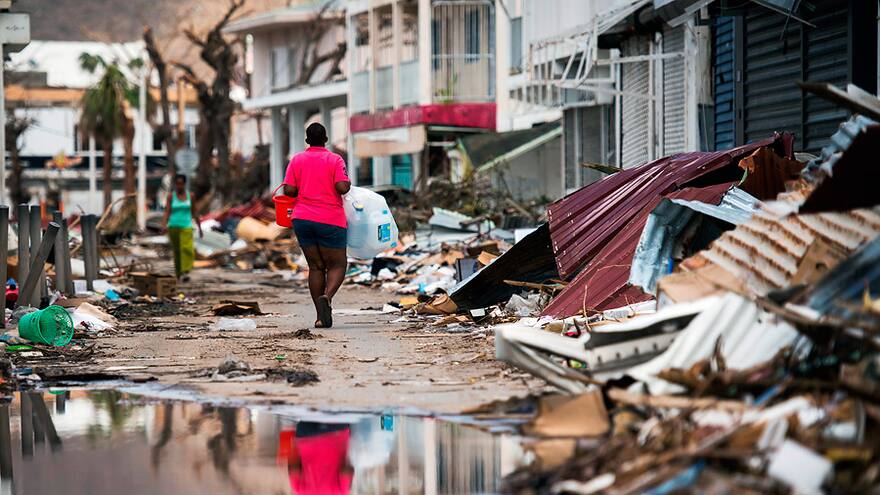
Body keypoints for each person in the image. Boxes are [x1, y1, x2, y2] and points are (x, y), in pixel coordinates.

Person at [283, 122, 351, 328]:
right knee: (337, 264)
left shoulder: (297, 160)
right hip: (330, 218)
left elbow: (289, 190)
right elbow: (342, 187)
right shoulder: (335, 159)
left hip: (302, 219)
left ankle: (320, 317)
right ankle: (327, 297)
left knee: (315, 267)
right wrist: (346, 182)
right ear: (326, 140)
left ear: (307, 140)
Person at [162, 174, 203, 281]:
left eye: (181, 184)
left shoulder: (191, 196)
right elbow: (167, 211)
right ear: (175, 184)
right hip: (173, 226)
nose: (179, 186)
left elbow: (195, 212)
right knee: (177, 251)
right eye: (177, 184)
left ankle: (186, 271)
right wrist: (164, 225)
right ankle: (179, 273)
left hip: (186, 226)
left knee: (187, 249)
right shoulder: (171, 196)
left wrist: (200, 227)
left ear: (184, 184)